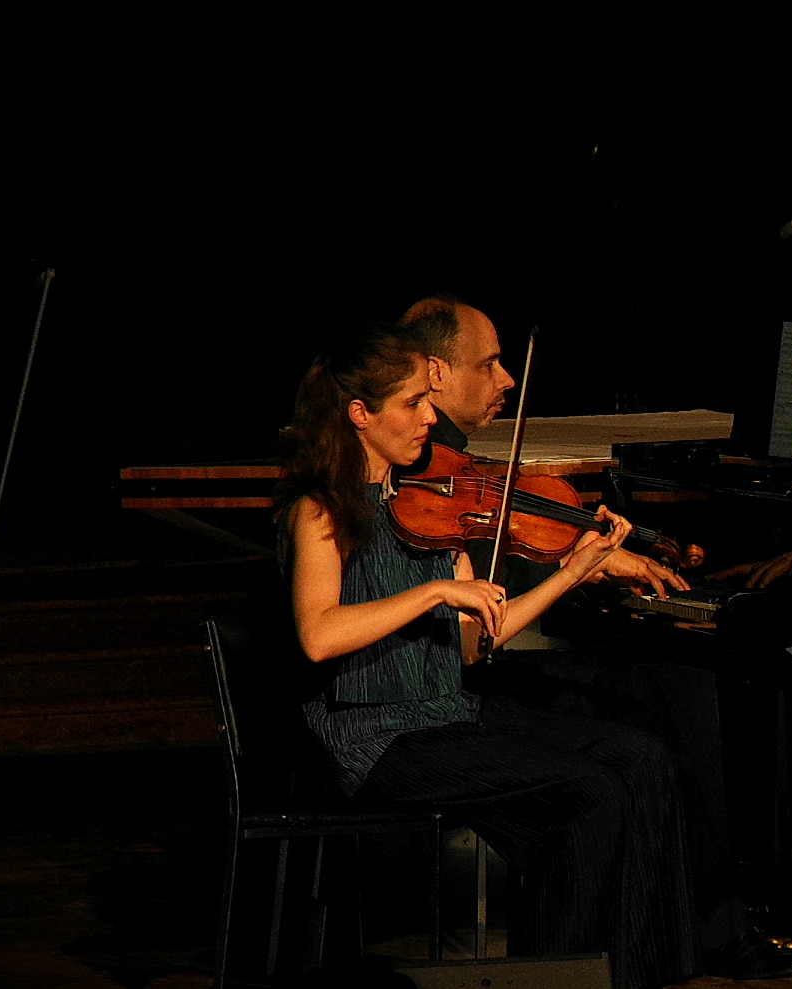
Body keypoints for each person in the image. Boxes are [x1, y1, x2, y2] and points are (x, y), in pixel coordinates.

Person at [274, 322, 712, 989]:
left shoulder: (425, 506)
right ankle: (553, 981)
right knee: (590, 793)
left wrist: (570, 573)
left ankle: (642, 975)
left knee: (643, 759)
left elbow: (475, 643)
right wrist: (435, 592)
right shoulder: (322, 510)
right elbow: (318, 634)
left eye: (429, 400)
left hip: (447, 713)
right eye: (413, 403)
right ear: (360, 413)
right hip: (374, 737)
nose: (430, 417)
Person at [394, 294, 792, 980]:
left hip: (472, 667)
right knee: (655, 693)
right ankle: (684, 929)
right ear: (435, 373)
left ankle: (679, 930)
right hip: (447, 686)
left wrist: (601, 556)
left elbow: (512, 521)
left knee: (662, 685)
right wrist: (582, 563)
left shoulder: (458, 466)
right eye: (489, 364)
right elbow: (472, 602)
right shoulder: (404, 470)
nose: (507, 380)